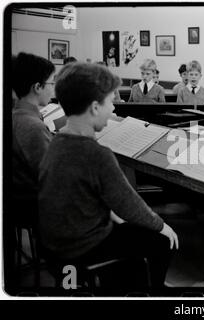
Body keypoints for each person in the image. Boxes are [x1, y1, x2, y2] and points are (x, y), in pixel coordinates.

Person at [38, 62, 179, 289]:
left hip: (55, 243)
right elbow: (128, 204)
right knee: (164, 241)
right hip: (82, 246)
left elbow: (88, 195)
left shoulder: (57, 141)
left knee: (126, 228)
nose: (113, 109)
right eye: (110, 102)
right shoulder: (96, 153)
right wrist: (162, 226)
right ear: (95, 107)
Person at [12, 52, 56, 223]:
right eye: (52, 82)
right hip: (32, 203)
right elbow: (51, 175)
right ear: (38, 87)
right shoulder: (32, 126)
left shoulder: (16, 115)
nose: (53, 88)